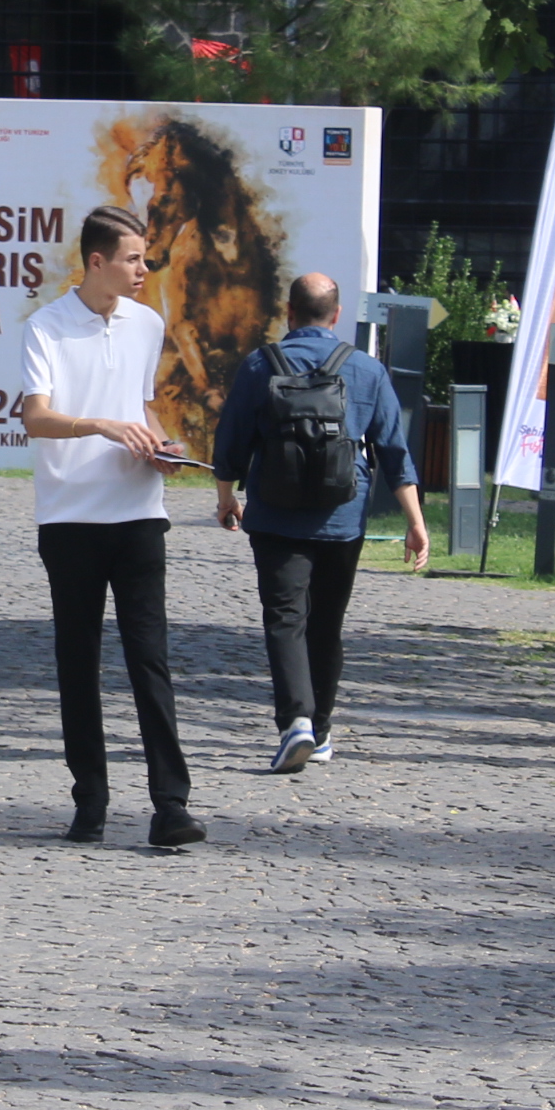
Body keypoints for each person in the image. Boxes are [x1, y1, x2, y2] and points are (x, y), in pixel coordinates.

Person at [20, 205, 200, 850]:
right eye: (132, 258)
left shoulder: (147, 324)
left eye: (145, 257)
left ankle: (170, 805)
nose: (143, 269)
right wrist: (99, 424)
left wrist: (159, 445)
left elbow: (138, 406)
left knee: (150, 659)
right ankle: (89, 800)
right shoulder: (45, 327)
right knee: (79, 663)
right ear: (95, 262)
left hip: (139, 513)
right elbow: (35, 417)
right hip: (69, 516)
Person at [211, 273, 429, 774]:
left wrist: (227, 498)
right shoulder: (368, 371)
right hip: (342, 519)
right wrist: (415, 522)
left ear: (288, 313)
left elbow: (231, 442)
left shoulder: (258, 365)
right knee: (327, 625)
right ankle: (322, 730)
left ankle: (296, 724)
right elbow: (394, 452)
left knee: (285, 619)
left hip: (275, 516)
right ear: (335, 316)